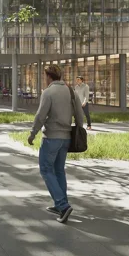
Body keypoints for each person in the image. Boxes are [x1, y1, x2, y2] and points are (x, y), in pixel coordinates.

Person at [27, 64, 85, 224]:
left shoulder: (48, 92)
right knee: (59, 170)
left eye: (45, 76)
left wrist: (32, 134)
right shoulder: (70, 91)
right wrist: (79, 129)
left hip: (51, 137)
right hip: (66, 138)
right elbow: (79, 114)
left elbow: (40, 116)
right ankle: (60, 204)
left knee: (46, 169)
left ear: (49, 76)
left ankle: (63, 205)